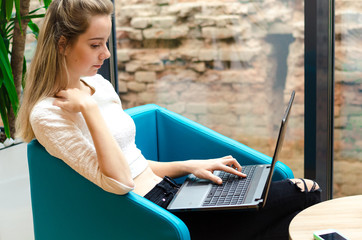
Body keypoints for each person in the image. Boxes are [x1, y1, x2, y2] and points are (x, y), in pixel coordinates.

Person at [16, 0, 321, 239]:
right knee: (305, 191)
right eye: (95, 45)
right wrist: (89, 110)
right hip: (154, 217)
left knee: (293, 193)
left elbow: (136, 164)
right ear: (62, 44)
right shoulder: (48, 115)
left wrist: (190, 166)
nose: (106, 54)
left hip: (174, 193)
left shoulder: (99, 86)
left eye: (106, 43)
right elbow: (121, 182)